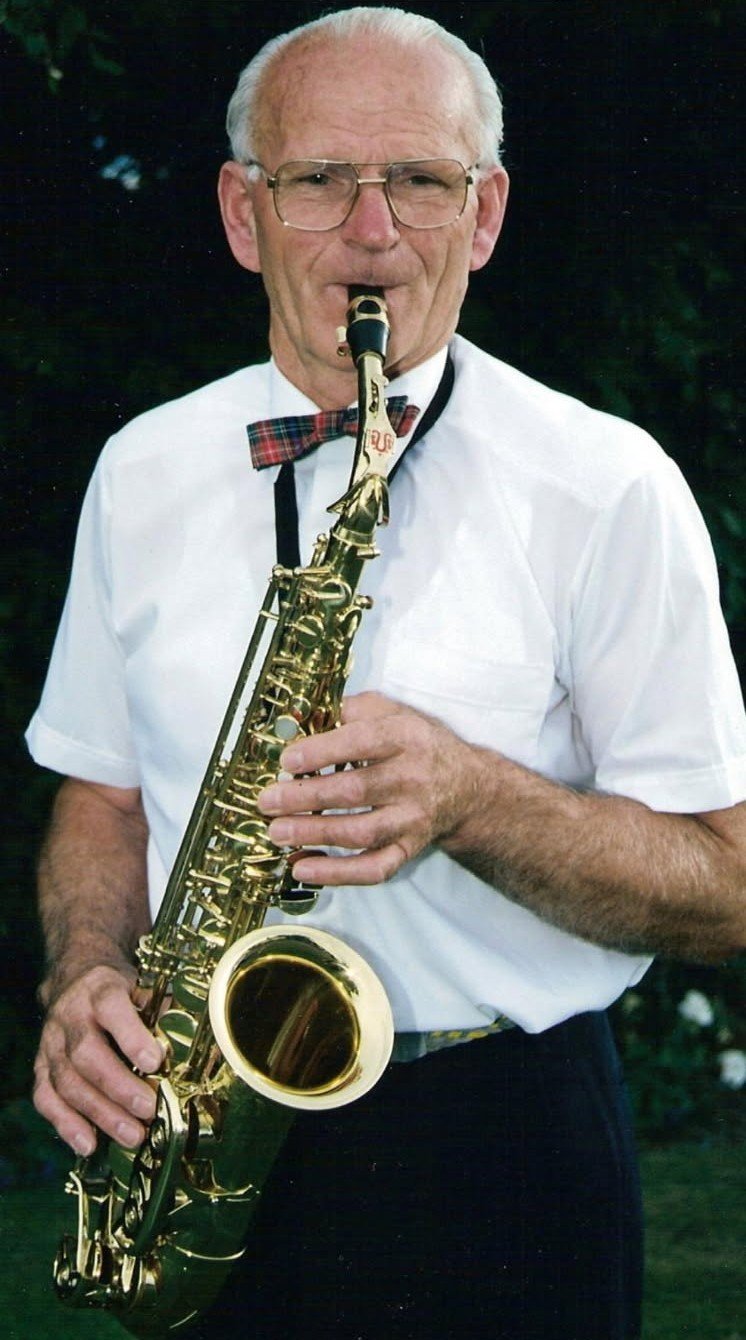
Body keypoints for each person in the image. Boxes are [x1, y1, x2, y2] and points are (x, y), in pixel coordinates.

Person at [27, 7, 746, 1340]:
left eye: (420, 180)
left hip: (506, 1142)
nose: (373, 230)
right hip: (208, 1126)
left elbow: (726, 883)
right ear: (245, 214)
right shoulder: (143, 469)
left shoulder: (604, 486)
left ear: (483, 218)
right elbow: (103, 795)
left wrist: (475, 798)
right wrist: (83, 974)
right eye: (320, 181)